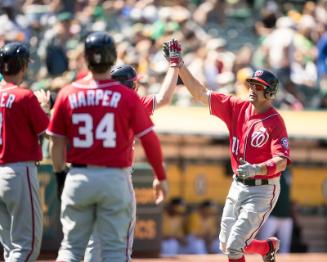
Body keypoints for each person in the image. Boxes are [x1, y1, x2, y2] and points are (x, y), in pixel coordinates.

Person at [163, 39, 291, 262]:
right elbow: (201, 93)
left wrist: (258, 169)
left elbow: (282, 160)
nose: (253, 89)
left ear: (270, 93)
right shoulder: (237, 107)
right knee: (226, 243)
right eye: (252, 84)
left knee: (234, 247)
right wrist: (179, 64)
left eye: (259, 86)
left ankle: (263, 247)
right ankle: (266, 247)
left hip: (263, 188)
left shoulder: (275, 121)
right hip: (238, 183)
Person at [46, 31, 168, 262]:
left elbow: (56, 142)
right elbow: (150, 139)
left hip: (79, 175)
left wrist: (61, 176)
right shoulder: (127, 97)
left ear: (86, 58)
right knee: (114, 250)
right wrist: (160, 176)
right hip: (114, 177)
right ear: (112, 58)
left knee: (71, 248)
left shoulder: (68, 93)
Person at [84, 64, 179, 261]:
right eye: (135, 83)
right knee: (121, 243)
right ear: (129, 85)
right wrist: (174, 66)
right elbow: (164, 98)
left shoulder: (90, 100)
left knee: (93, 241)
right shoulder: (130, 102)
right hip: (117, 177)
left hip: (87, 176)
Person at [0, 42, 49, 261]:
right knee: (26, 247)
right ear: (22, 66)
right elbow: (47, 130)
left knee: (10, 247)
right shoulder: (24, 96)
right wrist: (45, 108)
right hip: (18, 171)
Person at [258, 167, 293, 253]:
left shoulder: (288, 171)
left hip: (286, 216)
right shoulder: (271, 169)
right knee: (263, 243)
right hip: (272, 215)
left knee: (285, 246)